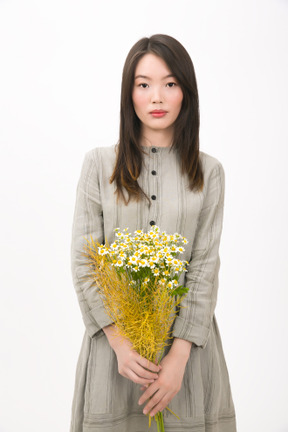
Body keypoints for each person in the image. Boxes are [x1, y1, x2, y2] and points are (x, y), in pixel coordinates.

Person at [70, 34, 237, 432]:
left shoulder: (209, 172)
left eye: (170, 83)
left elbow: (204, 268)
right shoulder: (98, 165)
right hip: (116, 358)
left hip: (188, 355)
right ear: (130, 94)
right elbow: (85, 260)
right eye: (144, 84)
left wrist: (178, 358)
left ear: (186, 92)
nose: (157, 97)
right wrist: (118, 343)